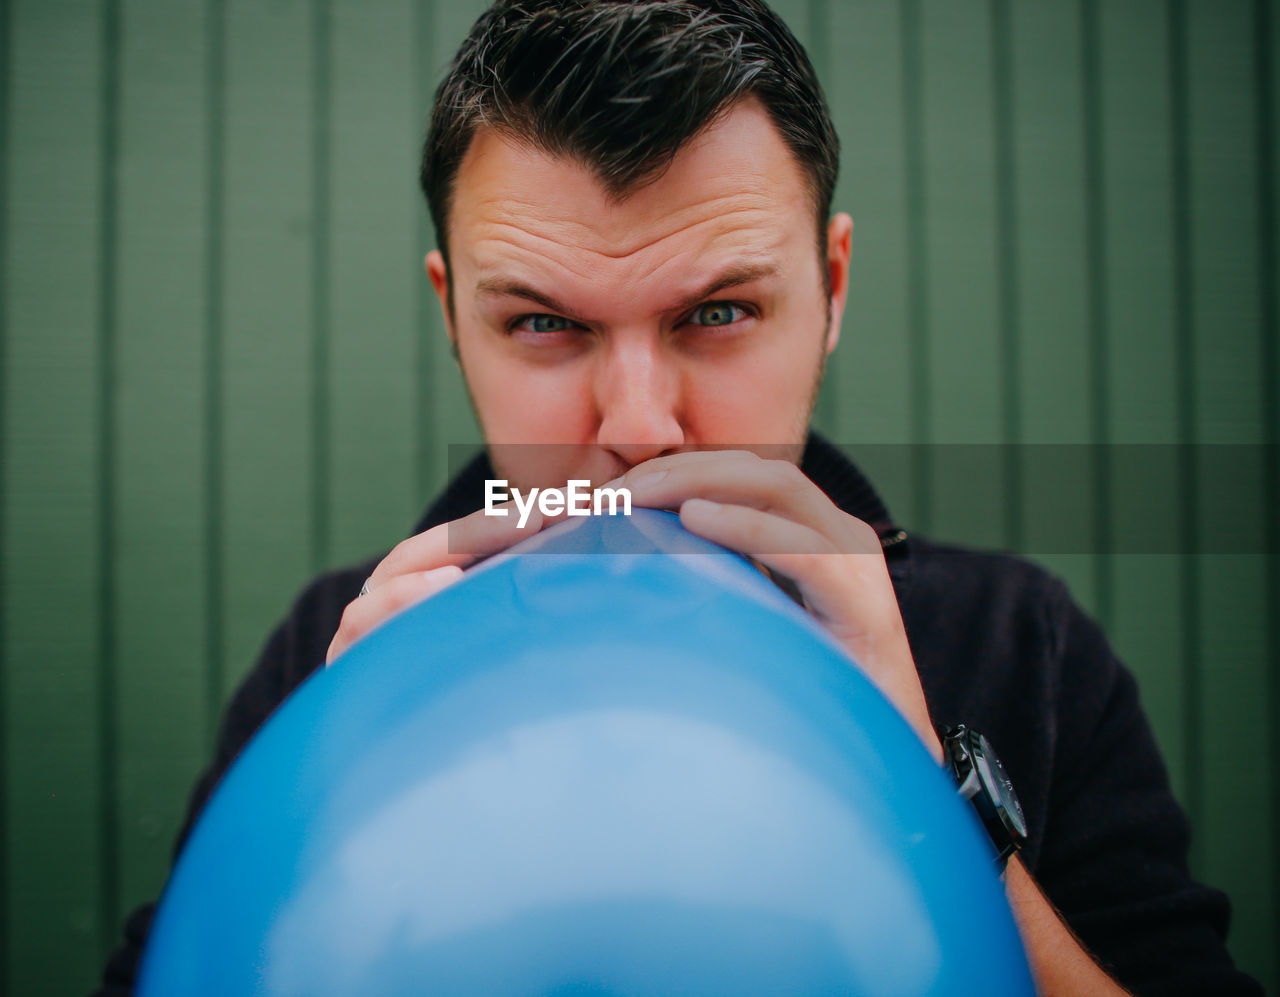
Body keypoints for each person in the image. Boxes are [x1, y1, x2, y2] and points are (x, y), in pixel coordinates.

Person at [95, 1, 1263, 993]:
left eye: (715, 312)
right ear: (452, 315)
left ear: (832, 286)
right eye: (543, 322)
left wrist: (944, 800)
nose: (639, 424)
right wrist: (316, 810)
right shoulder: (329, 648)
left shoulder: (1025, 645)